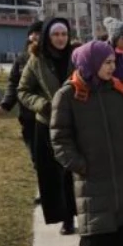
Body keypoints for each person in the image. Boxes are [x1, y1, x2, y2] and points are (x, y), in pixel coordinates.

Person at [50, 41, 123, 246]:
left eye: (114, 62)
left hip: (122, 169)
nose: (113, 67)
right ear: (90, 63)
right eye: (107, 62)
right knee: (96, 226)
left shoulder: (116, 91)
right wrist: (79, 165)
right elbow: (60, 138)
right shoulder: (68, 95)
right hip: (92, 172)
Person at [18, 17, 78, 234]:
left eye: (64, 34)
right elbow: (23, 91)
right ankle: (66, 217)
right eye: (56, 34)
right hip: (48, 123)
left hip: (75, 122)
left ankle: (79, 211)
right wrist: (42, 104)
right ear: (47, 36)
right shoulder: (36, 59)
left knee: (74, 170)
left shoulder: (76, 56)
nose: (60, 38)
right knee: (55, 173)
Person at [0, 20, 44, 167]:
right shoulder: (22, 59)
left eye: (41, 33)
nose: (37, 36)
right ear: (29, 36)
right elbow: (13, 83)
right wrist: (6, 104)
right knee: (36, 155)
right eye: (34, 33)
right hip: (28, 114)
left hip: (49, 113)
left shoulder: (53, 58)